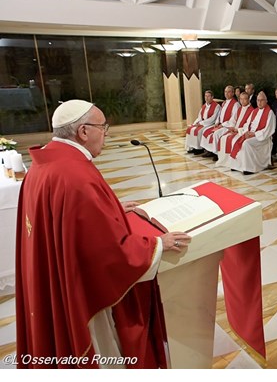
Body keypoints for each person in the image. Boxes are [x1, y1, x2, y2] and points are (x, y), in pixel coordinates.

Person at [16, 99, 191, 368]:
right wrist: (157, 244)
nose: (106, 133)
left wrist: (108, 208)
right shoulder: (75, 174)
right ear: (83, 132)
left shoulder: (44, 163)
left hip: (53, 278)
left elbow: (66, 218)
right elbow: (107, 252)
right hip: (80, 293)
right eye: (103, 126)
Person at [225, 92, 275, 175]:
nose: (259, 102)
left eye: (262, 100)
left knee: (246, 143)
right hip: (252, 134)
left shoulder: (270, 113)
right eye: (258, 100)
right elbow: (247, 124)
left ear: (266, 101)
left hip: (262, 137)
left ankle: (249, 168)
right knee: (236, 140)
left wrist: (254, 134)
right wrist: (243, 131)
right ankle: (238, 166)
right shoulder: (254, 111)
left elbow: (268, 130)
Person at [200, 85, 240, 160]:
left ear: (232, 93)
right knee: (206, 131)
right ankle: (209, 150)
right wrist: (217, 122)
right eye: (225, 92)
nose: (226, 93)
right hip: (221, 124)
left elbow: (234, 119)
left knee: (216, 134)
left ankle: (217, 154)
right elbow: (220, 114)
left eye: (229, 92)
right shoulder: (224, 103)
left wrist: (223, 124)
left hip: (228, 126)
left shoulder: (235, 104)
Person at [216, 92, 254, 168]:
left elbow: (248, 125)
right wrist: (232, 127)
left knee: (233, 141)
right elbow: (233, 120)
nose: (243, 101)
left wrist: (237, 129)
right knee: (223, 138)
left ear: (248, 100)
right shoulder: (239, 109)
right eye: (241, 99)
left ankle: (234, 162)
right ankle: (225, 161)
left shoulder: (252, 110)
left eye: (245, 99)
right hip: (235, 130)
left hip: (242, 132)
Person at [185, 90, 220, 154]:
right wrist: (195, 123)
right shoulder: (204, 106)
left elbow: (213, 118)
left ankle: (199, 149)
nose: (206, 98)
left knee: (200, 131)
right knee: (191, 129)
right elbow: (200, 116)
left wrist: (201, 123)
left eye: (208, 96)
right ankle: (192, 147)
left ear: (212, 97)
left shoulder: (216, 106)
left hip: (210, 124)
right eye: (205, 96)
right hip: (203, 123)